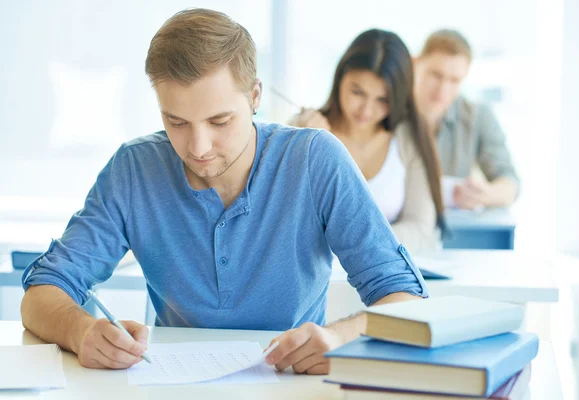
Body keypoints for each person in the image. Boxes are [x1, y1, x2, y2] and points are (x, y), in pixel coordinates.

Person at [20, 9, 427, 375]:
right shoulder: (134, 169)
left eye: (219, 121)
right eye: (176, 121)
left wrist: (341, 338)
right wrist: (82, 331)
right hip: (172, 386)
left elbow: (406, 298)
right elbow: (41, 294)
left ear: (254, 97)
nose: (198, 148)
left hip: (291, 384)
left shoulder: (314, 159)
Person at [291, 29, 444, 252]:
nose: (366, 110)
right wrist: (304, 148)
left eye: (383, 100)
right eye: (357, 92)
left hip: (385, 279)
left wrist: (353, 237)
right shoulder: (302, 130)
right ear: (339, 78)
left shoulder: (410, 139)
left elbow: (420, 229)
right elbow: (286, 224)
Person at [413, 29, 519, 210]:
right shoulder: (389, 111)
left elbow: (510, 182)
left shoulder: (478, 116)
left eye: (454, 80)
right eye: (436, 75)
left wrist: (484, 194)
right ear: (415, 64)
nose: (442, 88)